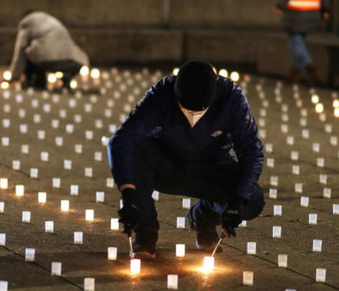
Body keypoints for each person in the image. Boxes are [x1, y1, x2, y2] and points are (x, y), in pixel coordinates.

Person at [107, 61, 265, 258]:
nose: (193, 116)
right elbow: (123, 139)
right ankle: (145, 231)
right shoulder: (161, 93)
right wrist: (129, 193)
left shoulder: (230, 97)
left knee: (252, 200)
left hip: (211, 169)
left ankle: (203, 217)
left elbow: (251, 149)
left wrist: (236, 202)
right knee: (137, 153)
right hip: (165, 166)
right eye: (186, 110)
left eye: (200, 112)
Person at [8, 11, 90, 90]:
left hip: (47, 60)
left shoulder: (26, 23)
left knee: (29, 52)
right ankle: (66, 78)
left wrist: (14, 76)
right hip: (73, 61)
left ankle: (37, 82)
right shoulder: (52, 22)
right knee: (37, 50)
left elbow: (20, 50)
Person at [274, 0, 330, 85]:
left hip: (296, 14)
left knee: (296, 43)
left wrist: (280, 6)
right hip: (312, 13)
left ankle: (311, 68)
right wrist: (325, 10)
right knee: (300, 43)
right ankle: (293, 74)